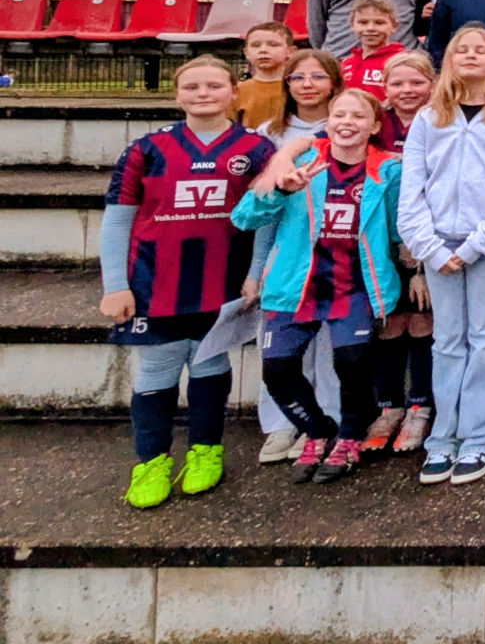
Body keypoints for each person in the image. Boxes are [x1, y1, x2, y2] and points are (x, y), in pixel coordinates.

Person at [102, 56, 275, 508]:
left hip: (223, 281)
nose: (203, 94)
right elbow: (118, 221)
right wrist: (115, 284)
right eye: (193, 86)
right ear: (177, 94)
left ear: (234, 92)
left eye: (214, 86)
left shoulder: (255, 149)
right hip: (153, 281)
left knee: (209, 367)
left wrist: (255, 272)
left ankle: (205, 451)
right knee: (157, 370)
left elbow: (267, 220)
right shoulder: (147, 148)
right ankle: (151, 460)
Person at [232, 88, 404, 486]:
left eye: (358, 117)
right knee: (277, 369)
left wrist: (414, 269)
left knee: (354, 363)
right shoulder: (298, 161)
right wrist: (280, 190)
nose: (347, 123)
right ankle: (318, 430)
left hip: (354, 286)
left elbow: (399, 230)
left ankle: (349, 436)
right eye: (339, 114)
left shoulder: (387, 172)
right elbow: (244, 218)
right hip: (295, 285)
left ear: (375, 126)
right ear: (328, 121)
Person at [397, 26, 485, 486]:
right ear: (449, 60)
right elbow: (411, 191)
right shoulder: (428, 117)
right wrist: (430, 248)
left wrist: (480, 240)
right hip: (438, 244)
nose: (471, 55)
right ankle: (445, 436)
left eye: (481, 50)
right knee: (447, 341)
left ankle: (480, 437)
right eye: (462, 49)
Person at [253, 48, 345, 464]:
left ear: (334, 83)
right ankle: (280, 424)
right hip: (286, 258)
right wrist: (256, 270)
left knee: (332, 348)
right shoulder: (269, 135)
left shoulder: (348, 124)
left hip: (337, 256)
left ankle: (331, 423)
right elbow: (261, 209)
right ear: (286, 85)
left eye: (317, 77)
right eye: (298, 78)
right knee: (282, 353)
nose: (307, 85)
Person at [365, 51, 436, 454]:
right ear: (385, 87)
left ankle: (420, 407)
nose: (407, 91)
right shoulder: (375, 123)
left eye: (416, 83)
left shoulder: (440, 118)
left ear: (431, 83)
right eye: (398, 84)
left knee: (421, 318)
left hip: (424, 236)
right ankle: (388, 406)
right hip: (378, 236)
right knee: (389, 318)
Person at [338, 0, 406, 99]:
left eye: (379, 23)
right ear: (352, 26)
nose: (370, 28)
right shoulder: (347, 63)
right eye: (363, 23)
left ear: (394, 26)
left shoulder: (401, 61)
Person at [234, 21, 294, 129]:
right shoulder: (238, 91)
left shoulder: (297, 88)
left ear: (290, 51)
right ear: (247, 53)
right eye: (256, 45)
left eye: (273, 45)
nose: (263, 50)